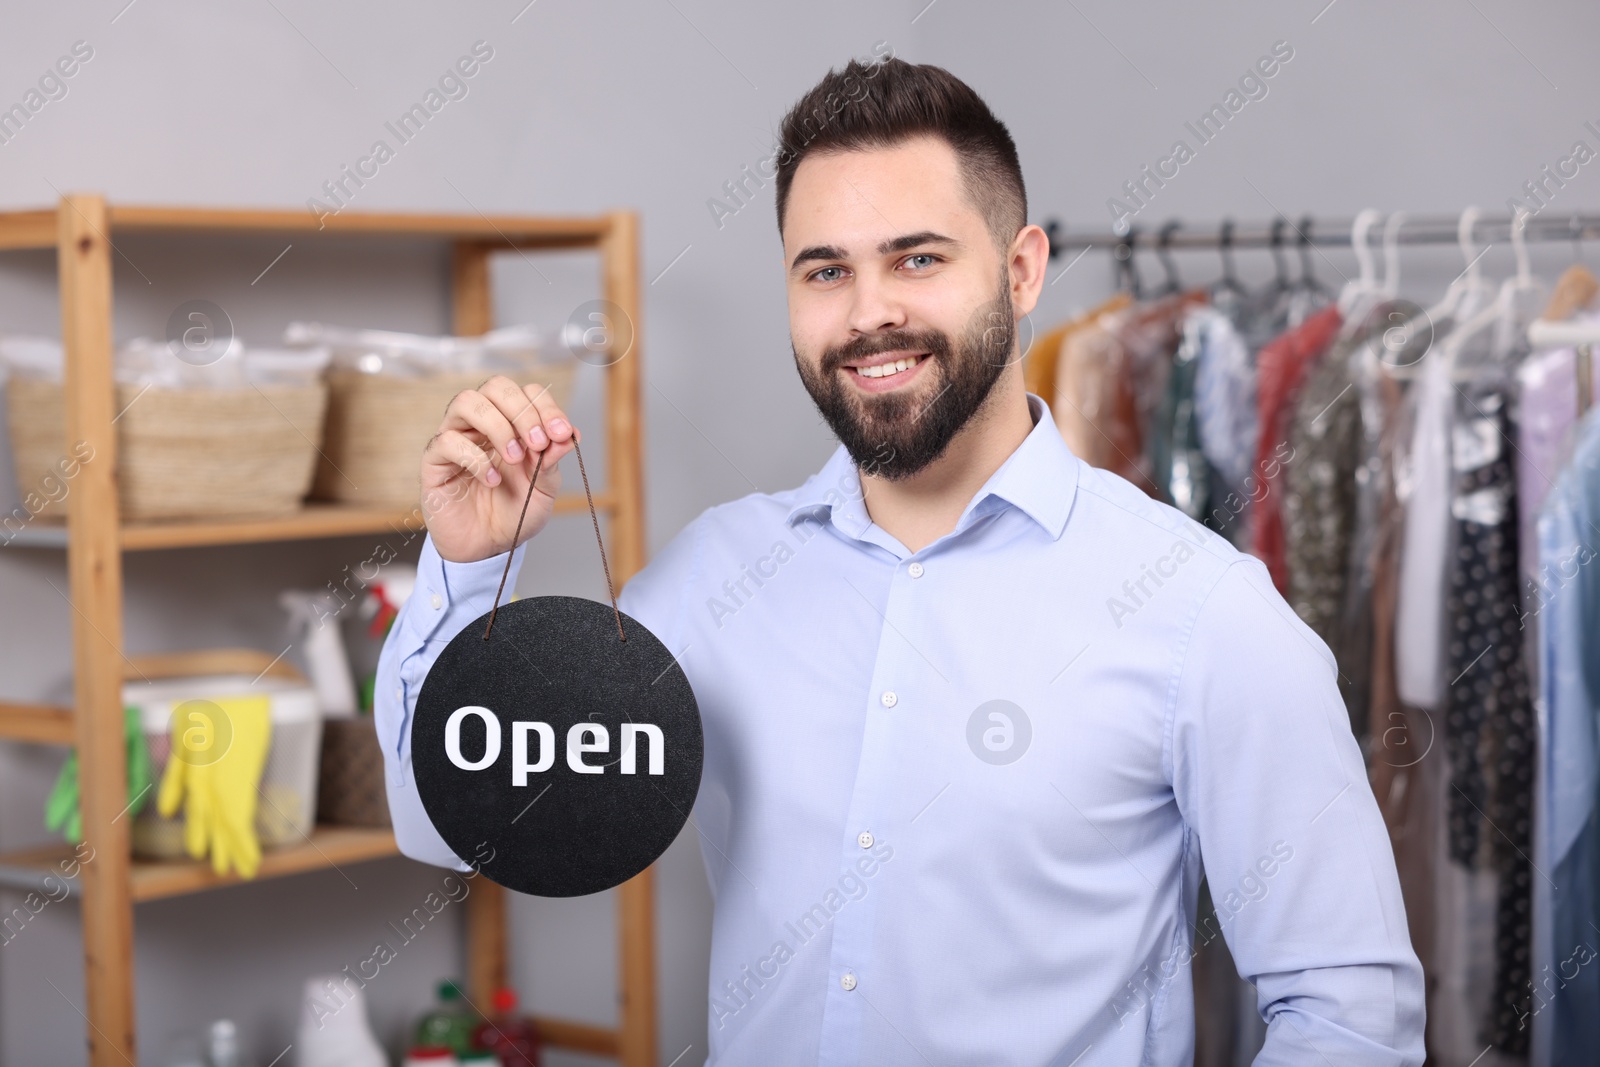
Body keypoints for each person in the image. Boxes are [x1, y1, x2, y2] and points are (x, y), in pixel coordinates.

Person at [375, 57, 1424, 1066]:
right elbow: (446, 824)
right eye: (826, 269)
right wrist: (469, 568)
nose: (869, 309)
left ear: (1020, 271)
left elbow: (1351, 1016)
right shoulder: (712, 577)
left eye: (916, 258)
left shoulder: (1203, 613)